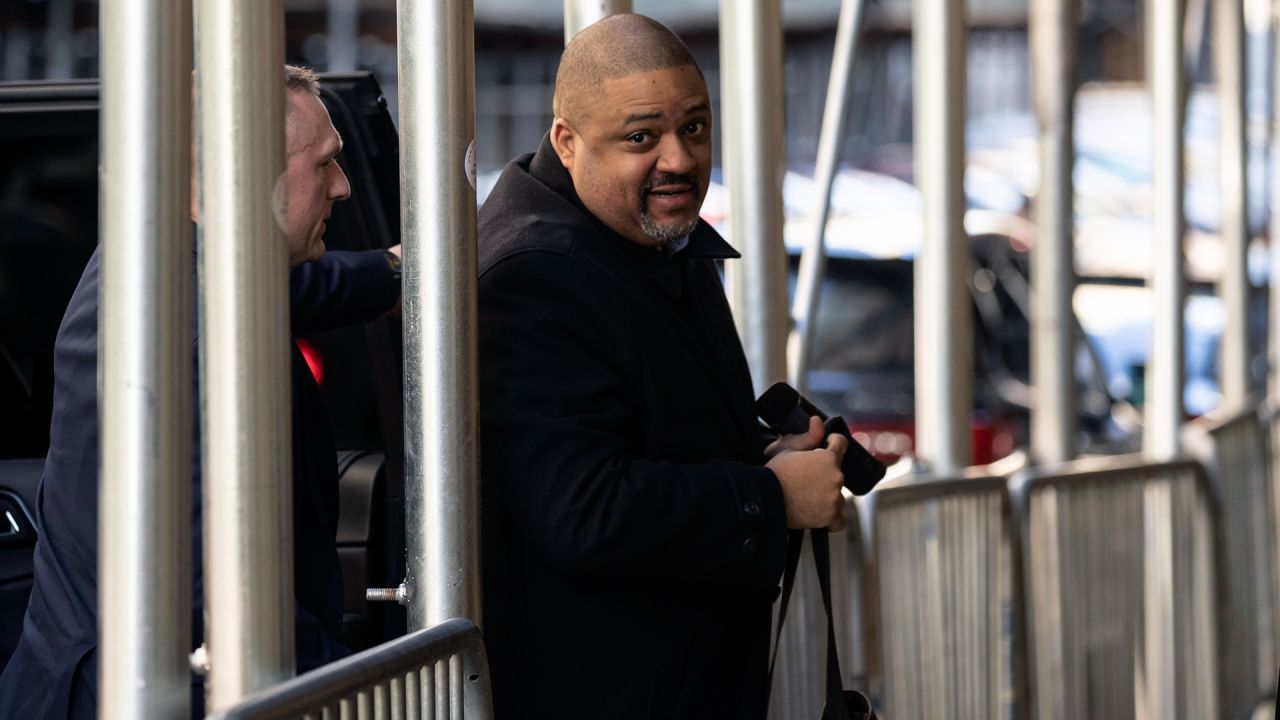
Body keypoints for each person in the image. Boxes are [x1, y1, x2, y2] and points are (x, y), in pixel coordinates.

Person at [0, 65, 402, 718]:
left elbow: (305, 286)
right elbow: (202, 599)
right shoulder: (169, 329)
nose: (344, 186)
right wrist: (366, 696)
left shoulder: (182, 261)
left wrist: (400, 269)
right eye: (325, 164)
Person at [477, 14, 848, 719]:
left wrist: (769, 458)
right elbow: (582, 505)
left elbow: (647, 438)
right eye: (641, 136)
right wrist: (768, 499)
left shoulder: (641, 232)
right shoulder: (537, 272)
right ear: (567, 139)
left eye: (696, 128)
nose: (678, 158)